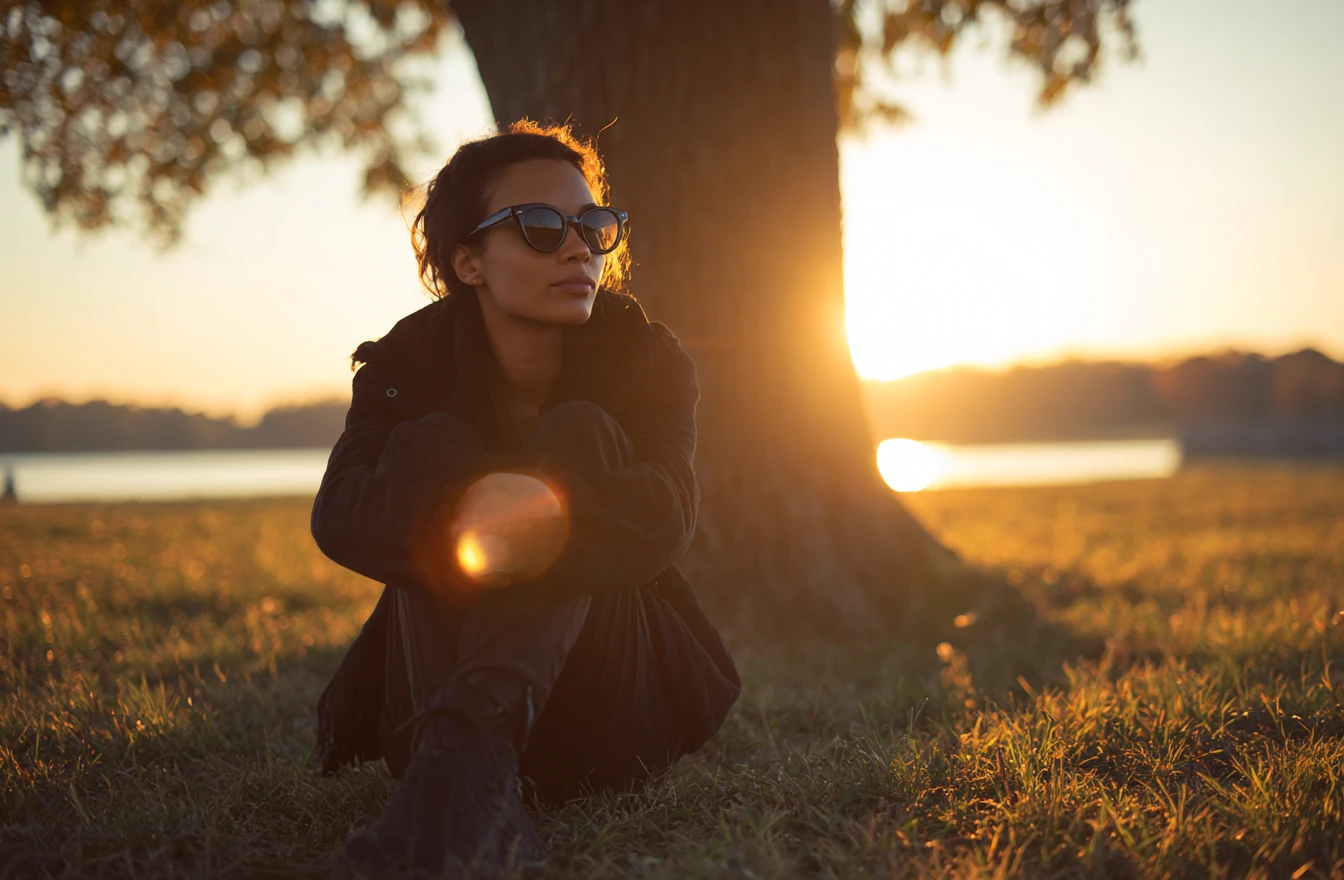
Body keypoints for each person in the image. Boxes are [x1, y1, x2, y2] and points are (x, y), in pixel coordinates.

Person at [309, 119, 741, 875]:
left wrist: (523, 507)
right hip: (427, 704)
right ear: (468, 261)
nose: (578, 249)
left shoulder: (645, 358)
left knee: (579, 435)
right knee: (432, 446)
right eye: (541, 226)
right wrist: (480, 506)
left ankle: (465, 766)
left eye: (594, 226)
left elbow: (664, 517)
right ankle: (471, 772)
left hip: (603, 717)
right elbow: (340, 513)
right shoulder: (405, 365)